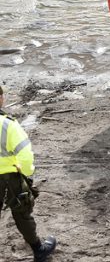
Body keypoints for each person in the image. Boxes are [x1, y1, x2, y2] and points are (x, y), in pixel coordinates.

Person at [0, 85, 57, 262]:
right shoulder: (7, 125)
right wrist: (27, 175)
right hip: (8, 179)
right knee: (22, 212)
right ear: (1, 98)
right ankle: (38, 249)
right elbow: (24, 156)